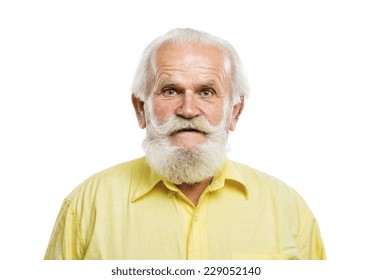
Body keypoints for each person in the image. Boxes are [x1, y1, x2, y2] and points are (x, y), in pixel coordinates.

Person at [44, 28, 325, 260]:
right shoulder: (86, 206)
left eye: (206, 91)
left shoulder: (288, 209)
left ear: (234, 112)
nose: (188, 109)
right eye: (170, 91)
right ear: (140, 109)